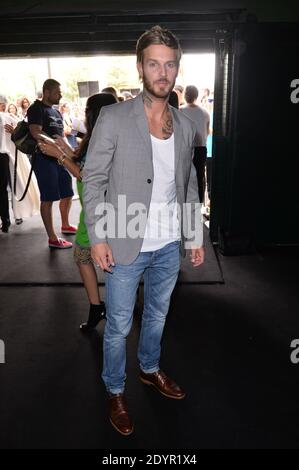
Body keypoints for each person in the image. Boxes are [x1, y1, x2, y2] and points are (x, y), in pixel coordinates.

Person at [83, 25, 205, 436]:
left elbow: (188, 183)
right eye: (154, 63)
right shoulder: (114, 117)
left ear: (176, 70)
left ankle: (150, 369)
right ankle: (115, 390)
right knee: (118, 325)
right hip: (122, 241)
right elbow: (93, 178)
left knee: (158, 315)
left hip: (169, 243)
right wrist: (97, 236)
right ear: (140, 68)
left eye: (170, 64)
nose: (163, 72)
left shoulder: (186, 125)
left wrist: (194, 236)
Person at [37, 92, 117, 330]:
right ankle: (111, 304)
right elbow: (84, 164)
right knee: (108, 258)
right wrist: (64, 149)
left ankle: (98, 306)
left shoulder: (100, 138)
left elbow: (86, 175)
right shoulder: (107, 137)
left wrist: (60, 155)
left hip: (97, 208)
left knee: (83, 255)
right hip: (103, 207)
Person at [27, 78, 76, 249]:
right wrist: (54, 146)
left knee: (68, 192)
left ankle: (65, 224)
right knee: (48, 198)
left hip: (60, 158)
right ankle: (52, 238)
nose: (60, 95)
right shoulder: (36, 108)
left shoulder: (56, 112)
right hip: (44, 158)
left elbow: (61, 136)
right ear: (47, 92)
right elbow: (35, 132)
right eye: (57, 92)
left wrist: (71, 152)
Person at [181, 85, 210, 203]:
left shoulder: (180, 110)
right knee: (199, 177)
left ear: (184, 95)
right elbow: (207, 132)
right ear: (197, 96)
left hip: (185, 148)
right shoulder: (205, 112)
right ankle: (199, 203)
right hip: (201, 148)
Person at [0, 95, 10, 232]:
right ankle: (5, 219)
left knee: (2, 190)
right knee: (2, 190)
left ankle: (5, 219)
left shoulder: (5, 117)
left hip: (2, 156)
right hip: (2, 157)